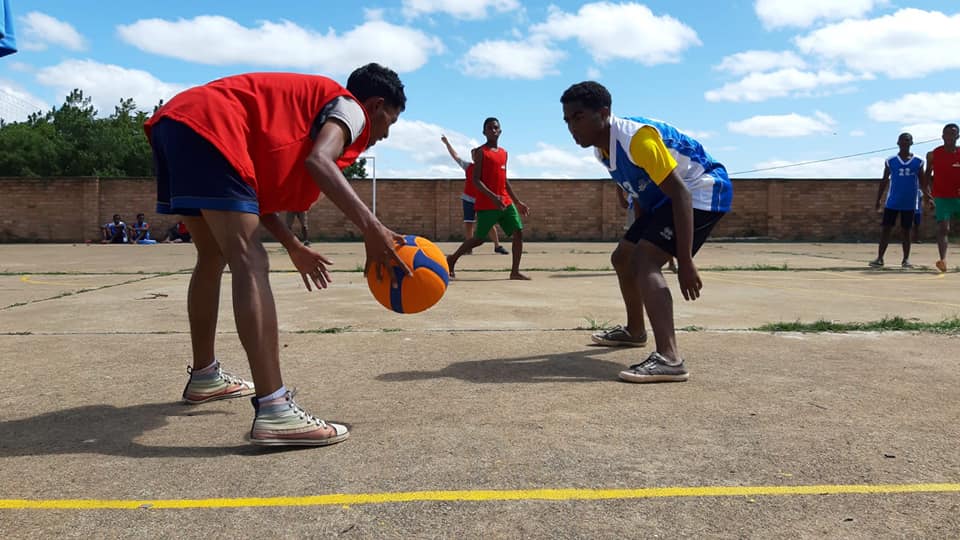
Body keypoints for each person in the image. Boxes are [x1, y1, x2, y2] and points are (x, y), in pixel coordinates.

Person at [144, 63, 411, 447]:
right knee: (250, 259)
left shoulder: (295, 116)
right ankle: (274, 409)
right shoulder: (350, 108)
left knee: (213, 255)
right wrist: (373, 229)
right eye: (389, 122)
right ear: (376, 104)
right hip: (211, 125)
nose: (384, 134)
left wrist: (293, 246)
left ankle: (205, 376)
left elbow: (256, 197)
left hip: (179, 122)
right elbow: (319, 162)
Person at [561, 81, 732, 383]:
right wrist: (642, 234)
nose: (572, 128)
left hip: (703, 190)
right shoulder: (602, 151)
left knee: (645, 262)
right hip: (667, 199)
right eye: (567, 120)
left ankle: (671, 358)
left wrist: (683, 260)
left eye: (578, 118)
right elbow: (644, 195)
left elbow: (682, 195)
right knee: (623, 258)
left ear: (603, 113)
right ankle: (634, 331)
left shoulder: (636, 140)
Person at [446, 118, 530, 280]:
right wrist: (493, 197)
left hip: (505, 202)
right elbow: (476, 180)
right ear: (484, 132)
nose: (493, 130)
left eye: (495, 128)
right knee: (479, 239)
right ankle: (451, 259)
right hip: (487, 203)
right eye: (489, 128)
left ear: (500, 131)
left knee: (518, 232)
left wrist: (517, 201)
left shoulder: (504, 153)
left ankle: (515, 271)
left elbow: (504, 180)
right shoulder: (481, 152)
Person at [441, 134, 508, 255]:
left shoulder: (488, 168)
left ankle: (497, 246)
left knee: (489, 223)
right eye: (474, 155)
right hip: (468, 199)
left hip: (483, 199)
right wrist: (447, 143)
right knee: (469, 223)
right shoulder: (468, 167)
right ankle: (469, 247)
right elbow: (455, 156)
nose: (476, 156)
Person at [870, 133, 924, 268]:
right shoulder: (891, 161)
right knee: (886, 229)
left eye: (908, 140)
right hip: (893, 201)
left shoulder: (918, 162)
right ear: (898, 143)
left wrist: (928, 197)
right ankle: (880, 258)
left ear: (912, 143)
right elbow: (884, 181)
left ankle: (906, 260)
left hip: (909, 202)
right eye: (902, 140)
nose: (905, 142)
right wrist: (878, 200)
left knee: (906, 230)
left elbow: (923, 182)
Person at [925, 123, 960, 273]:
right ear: (942, 136)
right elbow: (926, 176)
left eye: (953, 133)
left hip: (958, 196)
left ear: (958, 136)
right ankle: (943, 260)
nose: (949, 136)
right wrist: (927, 195)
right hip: (941, 197)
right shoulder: (934, 154)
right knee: (943, 228)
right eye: (947, 133)